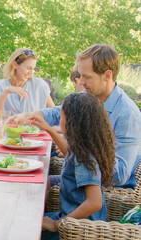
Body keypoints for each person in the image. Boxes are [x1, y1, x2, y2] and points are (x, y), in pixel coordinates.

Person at [8, 44, 141, 188]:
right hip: (81, 174)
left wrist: (76, 152)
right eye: (80, 75)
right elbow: (59, 111)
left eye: (87, 77)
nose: (81, 81)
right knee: (23, 177)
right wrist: (27, 116)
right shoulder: (90, 95)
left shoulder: (127, 115)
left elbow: (119, 176)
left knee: (32, 185)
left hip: (104, 188)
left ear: (107, 76)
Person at [31, 93, 115, 240]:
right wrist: (49, 130)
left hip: (81, 230)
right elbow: (70, 154)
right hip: (74, 220)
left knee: (26, 228)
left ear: (72, 123)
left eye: (61, 117)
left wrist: (57, 224)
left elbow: (95, 203)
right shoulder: (83, 150)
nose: (60, 121)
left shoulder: (86, 158)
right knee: (30, 218)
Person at [0, 48, 55, 119]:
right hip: (9, 129)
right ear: (15, 64)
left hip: (33, 129)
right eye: (28, 68)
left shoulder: (39, 85)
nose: (31, 73)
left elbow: (54, 114)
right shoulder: (0, 85)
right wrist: (6, 91)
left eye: (33, 69)